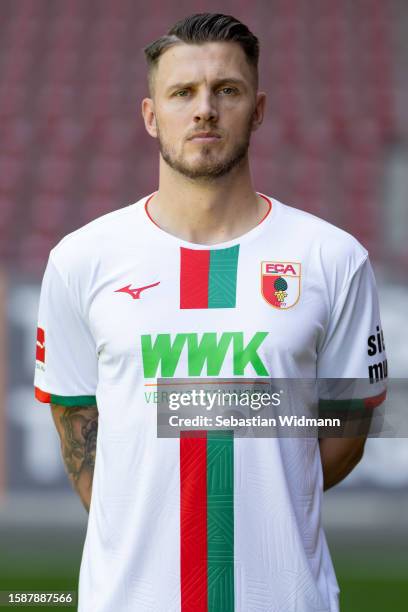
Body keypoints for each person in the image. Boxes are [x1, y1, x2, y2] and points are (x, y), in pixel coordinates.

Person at [34, 13, 387, 612]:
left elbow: (349, 426)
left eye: (227, 90)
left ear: (258, 109)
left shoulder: (334, 258)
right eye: (181, 93)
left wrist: (269, 482)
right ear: (151, 116)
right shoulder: (80, 260)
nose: (205, 110)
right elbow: (78, 429)